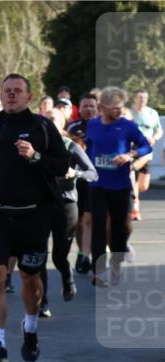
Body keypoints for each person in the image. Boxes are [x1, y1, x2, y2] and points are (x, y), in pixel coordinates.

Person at [0, 73, 69, 362]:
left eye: (17, 91)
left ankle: (30, 328)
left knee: (29, 278)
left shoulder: (42, 126)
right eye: (7, 91)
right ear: (0, 96)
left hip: (34, 216)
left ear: (28, 97)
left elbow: (63, 166)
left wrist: (37, 156)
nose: (11, 95)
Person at [85, 87, 152, 286]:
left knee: (118, 228)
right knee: (98, 227)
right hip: (97, 184)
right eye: (115, 108)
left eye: (121, 107)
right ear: (102, 108)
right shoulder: (93, 125)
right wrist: (86, 167)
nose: (119, 111)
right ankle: (99, 271)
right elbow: (89, 148)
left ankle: (116, 265)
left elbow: (146, 146)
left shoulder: (128, 126)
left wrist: (129, 155)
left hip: (120, 186)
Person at [38, 107, 96, 316]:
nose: (50, 122)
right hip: (41, 205)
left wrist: (76, 173)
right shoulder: (36, 147)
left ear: (63, 123)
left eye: (54, 119)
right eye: (47, 119)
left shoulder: (71, 146)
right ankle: (43, 302)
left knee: (59, 256)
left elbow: (92, 174)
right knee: (39, 256)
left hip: (66, 205)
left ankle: (66, 275)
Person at [68, 94, 99, 274]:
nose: (88, 109)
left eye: (92, 106)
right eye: (85, 106)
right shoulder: (73, 127)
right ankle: (82, 252)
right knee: (80, 221)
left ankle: (88, 254)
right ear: (79, 109)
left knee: (89, 218)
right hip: (78, 178)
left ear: (97, 108)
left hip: (96, 177)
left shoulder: (103, 126)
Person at [130, 89, 162, 220]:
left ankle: (135, 196)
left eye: (144, 98)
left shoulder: (152, 113)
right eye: (140, 98)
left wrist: (154, 138)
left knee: (143, 186)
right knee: (133, 173)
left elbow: (159, 130)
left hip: (147, 148)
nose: (142, 100)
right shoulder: (129, 113)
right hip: (133, 148)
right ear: (134, 99)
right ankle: (135, 207)